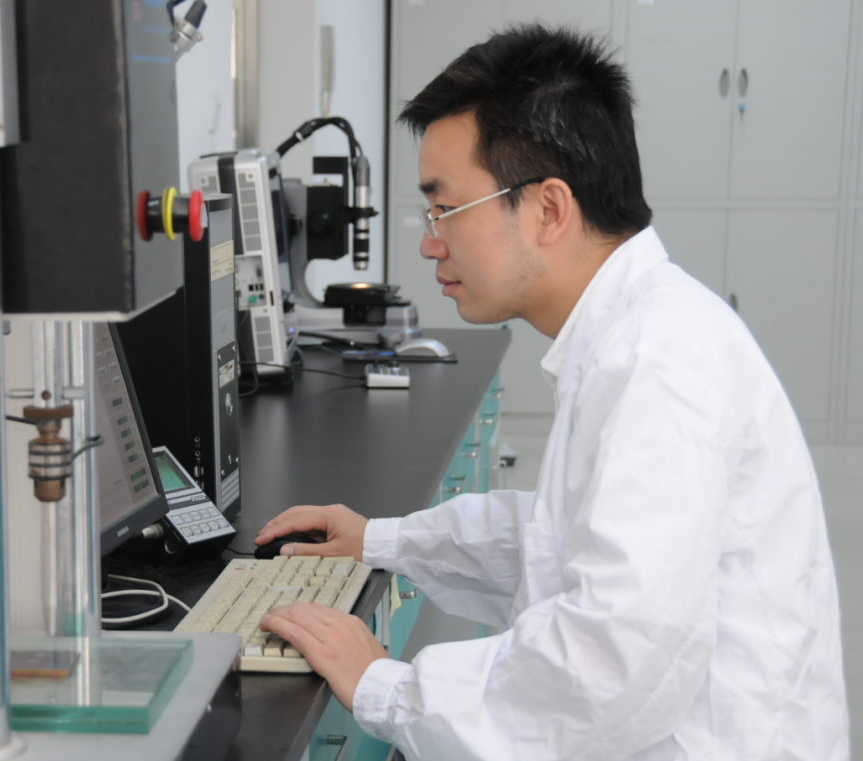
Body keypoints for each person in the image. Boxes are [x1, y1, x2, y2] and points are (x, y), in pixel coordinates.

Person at [255, 24, 849, 761]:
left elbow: (607, 666)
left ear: (548, 209)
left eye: (444, 210)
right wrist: (383, 541)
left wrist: (386, 685)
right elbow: (561, 537)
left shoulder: (658, 364)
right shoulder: (635, 333)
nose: (430, 242)